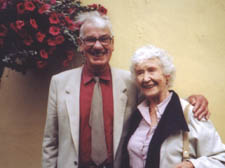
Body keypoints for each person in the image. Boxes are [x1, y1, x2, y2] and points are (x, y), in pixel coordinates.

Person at [42, 11, 210, 168]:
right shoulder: (59, 83)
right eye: (90, 40)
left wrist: (192, 101)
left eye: (104, 39)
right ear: (81, 44)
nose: (98, 46)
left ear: (113, 43)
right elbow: (51, 141)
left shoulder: (131, 82)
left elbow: (159, 103)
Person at [122, 45, 225, 168]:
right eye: (140, 73)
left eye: (151, 70)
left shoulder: (191, 113)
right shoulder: (137, 113)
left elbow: (220, 159)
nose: (145, 78)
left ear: (167, 75)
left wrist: (193, 165)